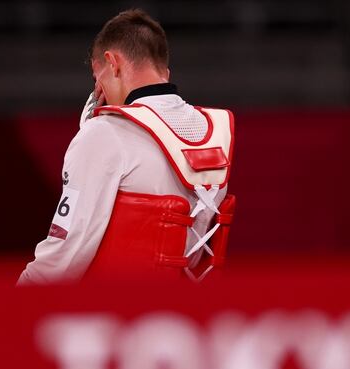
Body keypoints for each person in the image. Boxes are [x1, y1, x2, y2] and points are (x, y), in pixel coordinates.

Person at [18, 9, 235, 285]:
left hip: (113, 312)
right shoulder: (214, 132)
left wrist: (10, 306)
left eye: (98, 79)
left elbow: (64, 258)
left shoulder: (106, 133)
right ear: (164, 73)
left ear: (112, 63)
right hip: (188, 315)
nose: (100, 92)